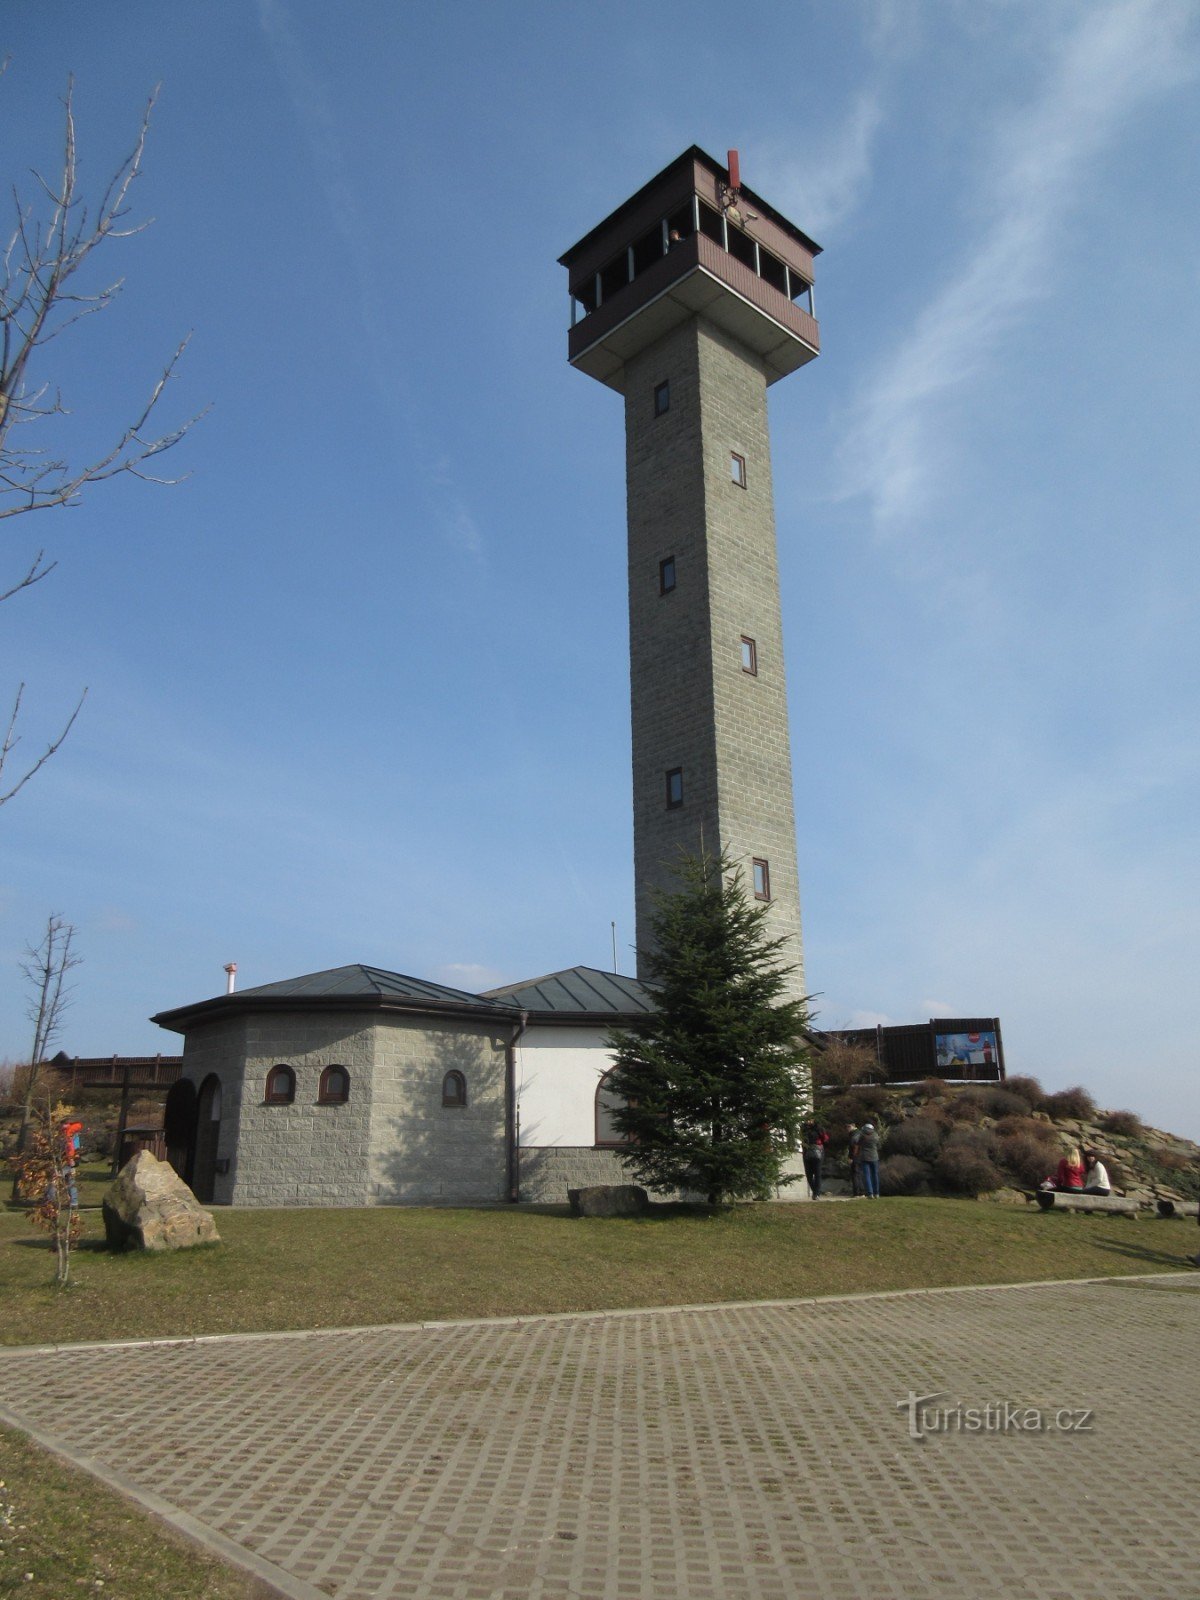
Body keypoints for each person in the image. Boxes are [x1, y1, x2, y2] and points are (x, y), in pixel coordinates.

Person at [801, 1122, 828, 1199]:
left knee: (817, 1173)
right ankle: (815, 1192)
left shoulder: (819, 1128)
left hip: (818, 1152)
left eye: (810, 1119)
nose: (808, 1121)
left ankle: (817, 1194)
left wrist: (818, 1143)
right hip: (807, 1152)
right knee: (808, 1174)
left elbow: (825, 1139)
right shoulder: (803, 1128)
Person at [857, 1122, 881, 1199]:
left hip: (864, 1157)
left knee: (867, 1176)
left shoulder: (862, 1135)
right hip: (874, 1157)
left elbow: (856, 1142)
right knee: (875, 1175)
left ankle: (870, 1193)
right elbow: (878, 1144)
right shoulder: (875, 1135)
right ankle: (876, 1193)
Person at [847, 1124, 863, 1197]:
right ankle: (861, 1192)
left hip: (856, 1157)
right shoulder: (859, 1133)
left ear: (853, 1126)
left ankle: (857, 1192)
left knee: (855, 1174)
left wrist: (851, 1157)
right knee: (859, 1174)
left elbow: (853, 1147)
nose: (847, 1128)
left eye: (849, 1127)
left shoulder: (854, 1135)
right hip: (861, 1156)